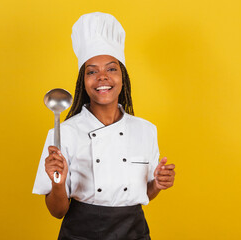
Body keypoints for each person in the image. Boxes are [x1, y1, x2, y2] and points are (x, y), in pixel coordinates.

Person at [32, 12, 175, 240]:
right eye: (91, 71)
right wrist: (57, 182)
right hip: (80, 233)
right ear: (83, 81)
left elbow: (141, 194)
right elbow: (57, 211)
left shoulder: (146, 131)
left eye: (111, 69)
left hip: (133, 232)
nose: (102, 77)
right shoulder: (64, 133)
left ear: (123, 76)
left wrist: (157, 184)